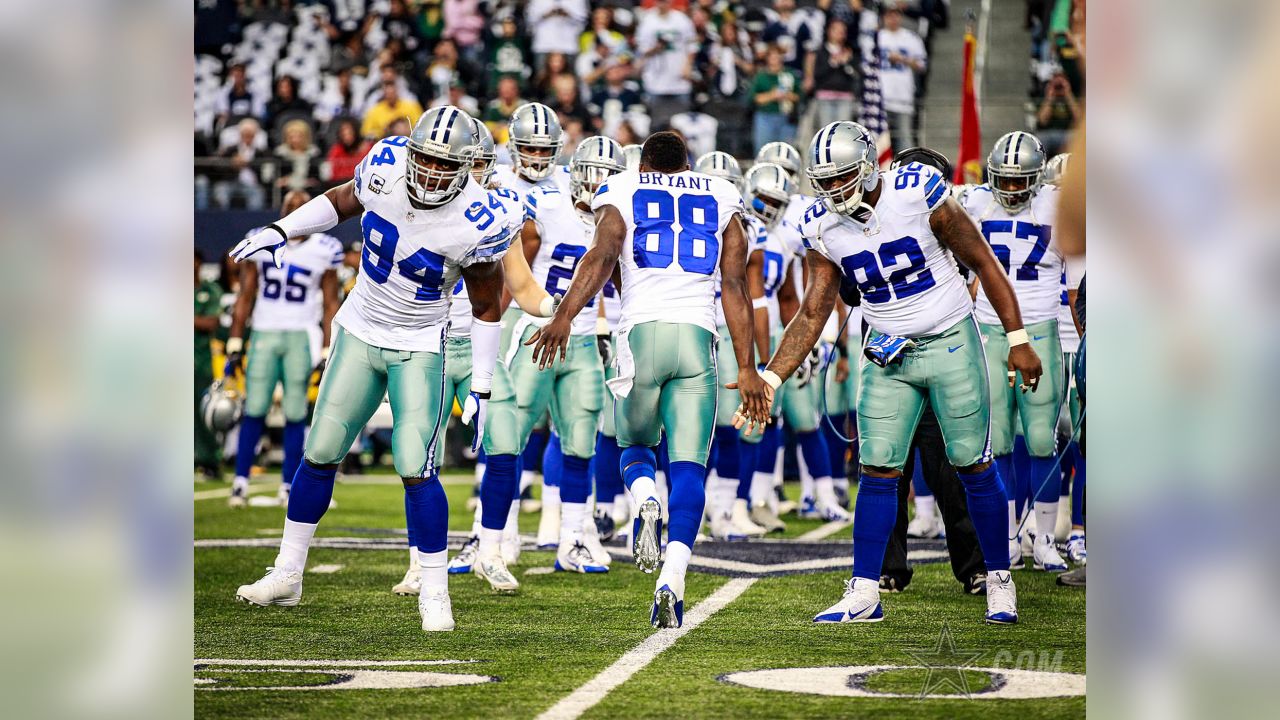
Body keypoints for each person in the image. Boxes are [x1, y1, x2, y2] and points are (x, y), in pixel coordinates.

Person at [228, 106, 521, 633]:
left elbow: (486, 307)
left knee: (415, 464)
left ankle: (435, 592)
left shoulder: (479, 217)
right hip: (361, 329)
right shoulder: (385, 163)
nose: (430, 172)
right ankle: (288, 572)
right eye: (425, 159)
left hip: (418, 344)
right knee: (319, 451)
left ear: (466, 169)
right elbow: (340, 201)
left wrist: (479, 382)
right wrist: (281, 228)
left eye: (444, 165)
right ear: (412, 151)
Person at [750, 120, 1041, 625]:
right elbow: (815, 308)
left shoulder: (916, 193)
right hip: (887, 351)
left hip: (951, 338)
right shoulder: (820, 223)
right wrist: (771, 377)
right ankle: (865, 590)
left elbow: (986, 263)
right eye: (826, 179)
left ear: (867, 167)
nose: (835, 188)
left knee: (972, 461)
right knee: (878, 466)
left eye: (843, 175)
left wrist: (1017, 339)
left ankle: (998, 577)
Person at [528, 132, 771, 628]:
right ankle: (673, 577)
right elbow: (734, 284)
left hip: (639, 333)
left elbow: (601, 256)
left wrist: (564, 317)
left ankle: (645, 500)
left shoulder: (622, 188)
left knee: (634, 447)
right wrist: (747, 367)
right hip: (698, 337)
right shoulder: (722, 193)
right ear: (687, 164)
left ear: (646, 164)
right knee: (688, 465)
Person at [393, 119, 559, 596]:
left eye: (484, 163)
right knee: (418, 454)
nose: (477, 171)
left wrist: (559, 310)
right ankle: (419, 561)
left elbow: (523, 285)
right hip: (429, 343)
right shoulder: (416, 201)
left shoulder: (499, 213)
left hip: (480, 346)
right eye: (473, 162)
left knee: (506, 442)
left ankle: (489, 549)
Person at [485, 136, 627, 577]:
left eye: (608, 175)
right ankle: (496, 535)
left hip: (583, 340)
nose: (598, 182)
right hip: (536, 332)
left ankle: (573, 539)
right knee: (512, 431)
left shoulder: (620, 216)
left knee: (582, 439)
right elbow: (516, 272)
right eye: (592, 172)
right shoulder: (545, 202)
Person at [467, 102, 574, 593]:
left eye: (543, 148)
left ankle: (549, 525)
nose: (535, 155)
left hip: (544, 309)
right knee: (500, 421)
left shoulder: (569, 184)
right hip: (501, 313)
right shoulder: (495, 181)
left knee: (544, 422)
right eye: (528, 146)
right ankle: (492, 534)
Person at [962, 131, 1070, 574]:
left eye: (1018, 181)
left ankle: (1044, 536)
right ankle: (1006, 535)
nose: (1009, 189)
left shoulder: (1057, 206)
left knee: (1043, 436)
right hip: (989, 328)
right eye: (1002, 180)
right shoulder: (972, 202)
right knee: (998, 438)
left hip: (1043, 326)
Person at [225, 190, 344, 509]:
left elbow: (331, 303)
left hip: (301, 334)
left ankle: (288, 484)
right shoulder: (261, 238)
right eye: (289, 205)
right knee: (255, 407)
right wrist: (235, 342)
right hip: (264, 330)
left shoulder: (325, 248)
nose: (294, 210)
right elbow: (245, 295)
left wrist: (326, 348)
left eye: (300, 206)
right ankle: (240, 482)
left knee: (295, 411)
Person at [694, 152, 773, 541]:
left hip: (725, 330)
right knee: (682, 426)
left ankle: (723, 510)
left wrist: (761, 357)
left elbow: (751, 297)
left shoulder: (745, 229)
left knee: (728, 425)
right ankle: (675, 508)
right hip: (691, 326)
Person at [635, 0, 697, 131]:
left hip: (679, 80)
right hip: (655, 80)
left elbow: (692, 45)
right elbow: (641, 49)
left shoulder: (682, 20)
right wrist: (655, 49)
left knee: (681, 124)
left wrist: (688, 65)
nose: (662, 4)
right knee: (656, 125)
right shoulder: (647, 20)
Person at [877, 5, 927, 149]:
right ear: (884, 17)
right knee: (881, 142)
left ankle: (906, 170)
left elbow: (922, 64)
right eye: (889, 15)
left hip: (903, 97)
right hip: (881, 97)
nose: (893, 19)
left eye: (896, 15)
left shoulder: (910, 37)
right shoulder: (877, 36)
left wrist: (902, 59)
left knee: (904, 139)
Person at [195, 251, 225, 477]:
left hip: (201, 360)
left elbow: (211, 322)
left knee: (202, 413)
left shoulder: (209, 291)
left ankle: (209, 460)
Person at [804, 18, 860, 130]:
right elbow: (817, 75)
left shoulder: (850, 51)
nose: (841, 33)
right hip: (825, 96)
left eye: (843, 31)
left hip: (845, 97)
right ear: (829, 31)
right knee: (827, 131)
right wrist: (833, 63)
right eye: (837, 30)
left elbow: (856, 75)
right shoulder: (820, 52)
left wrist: (846, 64)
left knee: (843, 131)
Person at [751, 47, 801, 149]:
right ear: (767, 58)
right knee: (764, 150)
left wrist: (787, 95)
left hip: (787, 117)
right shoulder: (761, 76)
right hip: (765, 117)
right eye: (772, 56)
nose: (775, 59)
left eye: (777, 56)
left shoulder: (790, 74)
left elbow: (799, 96)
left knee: (786, 151)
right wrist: (772, 95)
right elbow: (755, 98)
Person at [527, 0, 589, 69]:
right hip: (543, 45)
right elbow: (530, 21)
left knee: (567, 77)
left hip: (568, 46)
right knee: (542, 76)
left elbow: (583, 22)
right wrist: (546, 15)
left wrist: (568, 15)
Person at [360, 77, 425, 140]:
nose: (390, 96)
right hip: (383, 141)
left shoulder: (411, 106)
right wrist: (382, 132)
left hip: (409, 140)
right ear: (384, 94)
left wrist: (406, 129)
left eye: (392, 93)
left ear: (397, 91)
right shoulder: (375, 110)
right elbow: (366, 132)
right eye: (388, 94)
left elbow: (421, 126)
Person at [325, 118, 370, 185]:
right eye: (343, 133)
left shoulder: (366, 149)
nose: (347, 137)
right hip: (340, 185)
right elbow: (331, 173)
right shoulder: (336, 149)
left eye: (349, 133)